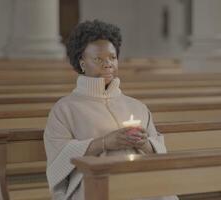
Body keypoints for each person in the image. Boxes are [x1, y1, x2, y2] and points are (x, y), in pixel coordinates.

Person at [44, 19, 178, 200]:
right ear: (82, 62)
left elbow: (160, 153)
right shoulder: (65, 109)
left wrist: (144, 144)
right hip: (94, 184)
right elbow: (59, 162)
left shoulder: (137, 106)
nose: (108, 64)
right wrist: (105, 142)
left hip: (141, 180)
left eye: (112, 58)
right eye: (98, 59)